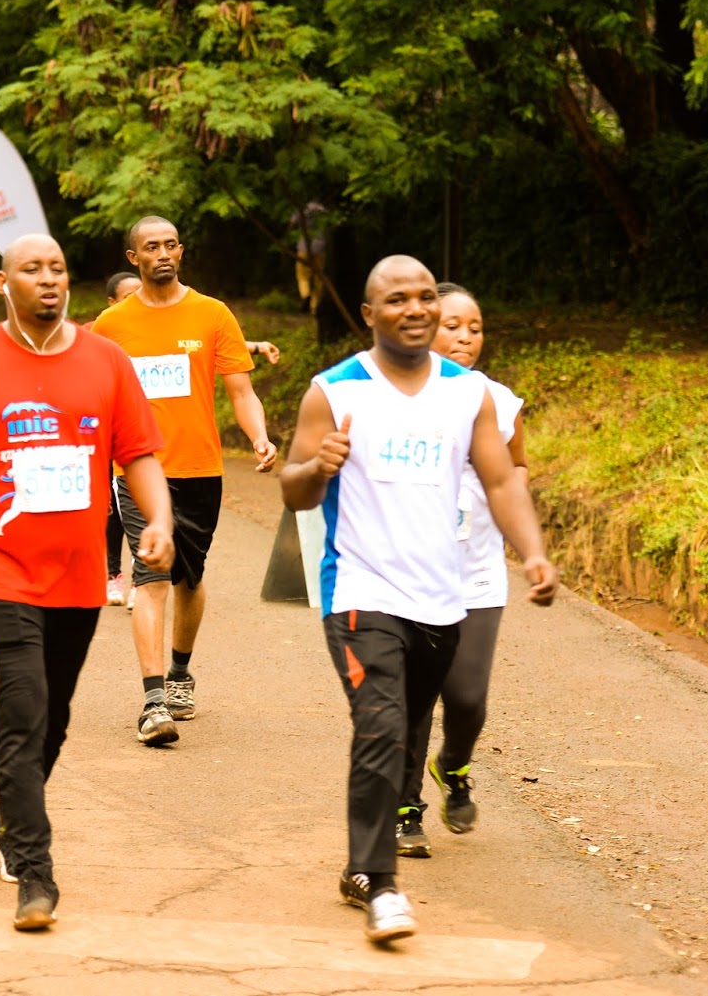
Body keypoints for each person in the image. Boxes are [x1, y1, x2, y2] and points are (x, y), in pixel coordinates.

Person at [0, 233, 173, 931]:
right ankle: (34, 871)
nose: (48, 280)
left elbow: (138, 452)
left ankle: (9, 818)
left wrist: (159, 520)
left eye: (58, 269)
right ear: (3, 282)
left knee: (52, 718)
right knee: (21, 707)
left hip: (76, 574)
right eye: (32, 269)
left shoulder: (105, 361)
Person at [279, 254, 557, 944]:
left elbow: (502, 481)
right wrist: (317, 466)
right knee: (379, 725)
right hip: (360, 591)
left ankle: (365, 862)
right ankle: (379, 881)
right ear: (369, 313)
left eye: (426, 296)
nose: (416, 308)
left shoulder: (468, 393)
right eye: (398, 298)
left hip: (441, 599)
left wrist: (533, 552)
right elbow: (294, 488)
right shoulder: (334, 390)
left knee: (406, 730)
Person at [90, 216, 277, 746]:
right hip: (136, 467)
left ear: (181, 251)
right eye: (152, 247)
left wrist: (259, 436)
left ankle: (179, 672)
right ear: (134, 258)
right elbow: (95, 400)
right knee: (150, 574)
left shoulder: (212, 314)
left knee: (189, 579)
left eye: (171, 245)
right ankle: (153, 701)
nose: (163, 254)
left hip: (199, 469)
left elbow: (240, 390)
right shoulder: (111, 325)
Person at [396, 283, 529, 859]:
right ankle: (405, 810)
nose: (465, 337)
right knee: (414, 697)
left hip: (477, 571)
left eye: (474, 328)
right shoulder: (394, 398)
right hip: (410, 575)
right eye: (452, 326)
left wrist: (519, 529)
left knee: (467, 697)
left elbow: (517, 469)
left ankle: (452, 765)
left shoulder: (498, 402)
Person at [89, 271, 142, 607]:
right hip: (107, 434)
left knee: (140, 506)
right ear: (111, 303)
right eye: (128, 297)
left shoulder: (155, 329)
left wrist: (253, 346)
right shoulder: (101, 332)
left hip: (140, 435)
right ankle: (113, 575)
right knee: (113, 509)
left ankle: (140, 579)